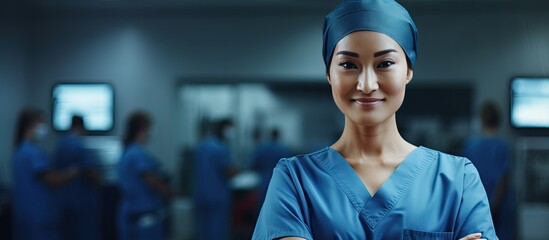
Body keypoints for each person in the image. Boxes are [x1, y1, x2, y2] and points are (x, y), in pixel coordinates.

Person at [253, 1, 498, 239]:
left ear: (408, 72)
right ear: (329, 73)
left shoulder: (458, 180)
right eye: (348, 64)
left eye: (385, 64)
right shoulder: (295, 180)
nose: (367, 85)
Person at [11, 107, 78, 240]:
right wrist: (70, 174)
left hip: (24, 216)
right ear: (30, 126)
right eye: (41, 124)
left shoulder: (19, 151)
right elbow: (51, 180)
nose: (43, 129)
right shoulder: (33, 152)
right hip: (39, 217)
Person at [117, 111, 176, 240]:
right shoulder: (137, 154)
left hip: (131, 213)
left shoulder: (129, 151)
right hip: (143, 216)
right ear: (143, 129)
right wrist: (170, 193)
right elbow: (151, 179)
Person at [462, 100, 515, 240]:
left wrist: (490, 209)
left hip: (479, 208)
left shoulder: (471, 147)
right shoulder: (502, 147)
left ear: (481, 120)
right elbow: (503, 180)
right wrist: (494, 207)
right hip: (499, 209)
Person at [53, 115, 101, 240]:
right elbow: (91, 172)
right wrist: (99, 181)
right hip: (81, 204)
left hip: (63, 203)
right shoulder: (79, 146)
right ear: (81, 127)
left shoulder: (61, 144)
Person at [193, 118, 238, 240]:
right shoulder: (220, 148)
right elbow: (228, 171)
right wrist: (237, 171)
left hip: (201, 195)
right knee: (217, 231)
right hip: (217, 197)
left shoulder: (202, 146)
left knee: (203, 231)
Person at [250, 128, 291, 207]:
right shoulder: (282, 149)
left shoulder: (262, 149)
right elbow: (288, 168)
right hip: (279, 183)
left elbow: (253, 165)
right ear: (278, 136)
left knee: (263, 207)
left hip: (264, 182)